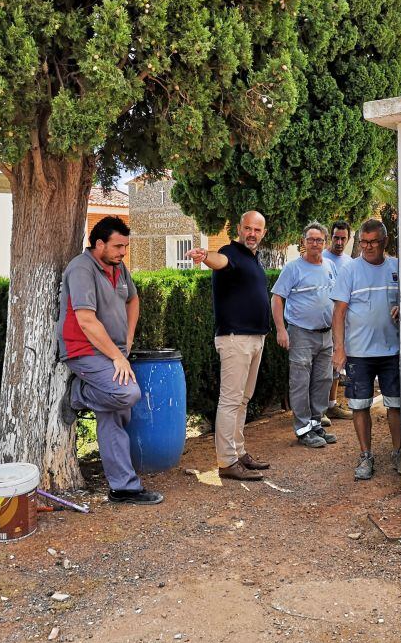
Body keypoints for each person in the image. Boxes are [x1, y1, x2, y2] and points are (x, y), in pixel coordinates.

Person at [57, 216, 163, 505]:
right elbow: (85, 320)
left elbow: (133, 299)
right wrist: (117, 356)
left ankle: (123, 487)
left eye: (125, 247)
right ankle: (78, 394)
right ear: (99, 243)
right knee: (126, 393)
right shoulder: (81, 269)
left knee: (114, 414)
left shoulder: (118, 267)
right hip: (83, 350)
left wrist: (127, 340)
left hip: (113, 351)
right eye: (118, 246)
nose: (122, 252)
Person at [187, 211, 272, 481]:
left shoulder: (253, 260)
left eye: (257, 230)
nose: (252, 234)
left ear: (263, 233)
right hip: (236, 338)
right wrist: (205, 255)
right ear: (238, 228)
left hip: (255, 338)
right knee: (231, 401)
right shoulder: (230, 252)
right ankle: (226, 461)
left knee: (243, 400)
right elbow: (219, 260)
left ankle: (238, 452)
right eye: (247, 228)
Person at [331, 218, 401, 481]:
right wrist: (339, 348)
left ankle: (398, 452)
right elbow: (338, 312)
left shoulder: (396, 267)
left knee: (396, 404)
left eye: (373, 242)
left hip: (391, 351)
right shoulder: (350, 270)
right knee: (360, 406)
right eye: (363, 242)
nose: (368, 247)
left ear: (384, 242)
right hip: (359, 353)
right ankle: (365, 456)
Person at [271, 222, 338, 449]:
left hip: (326, 334)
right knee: (300, 381)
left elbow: (337, 298)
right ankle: (302, 429)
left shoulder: (330, 266)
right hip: (300, 333)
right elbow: (277, 298)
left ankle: (315, 423)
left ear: (325, 243)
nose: (315, 244)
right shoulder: (293, 268)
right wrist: (281, 329)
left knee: (323, 379)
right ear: (304, 242)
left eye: (319, 240)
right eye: (310, 240)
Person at [321, 220, 353, 421]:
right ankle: (318, 409)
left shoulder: (351, 263)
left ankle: (331, 404)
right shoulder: (320, 258)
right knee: (320, 368)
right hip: (321, 322)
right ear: (330, 238)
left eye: (343, 238)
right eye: (336, 237)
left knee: (336, 365)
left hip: (342, 323)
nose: (339, 242)